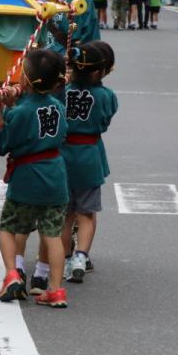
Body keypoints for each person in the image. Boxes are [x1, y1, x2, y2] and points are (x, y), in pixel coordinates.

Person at [0, 48, 70, 309]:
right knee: (52, 235)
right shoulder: (58, 107)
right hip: (55, 175)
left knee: (9, 227)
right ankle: (56, 289)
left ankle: (12, 274)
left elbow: (2, 145)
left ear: (24, 79)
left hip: (27, 177)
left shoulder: (19, 112)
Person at [60, 41, 117, 284]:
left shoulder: (60, 92)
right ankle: (81, 257)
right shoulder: (106, 96)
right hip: (90, 154)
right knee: (86, 213)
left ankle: (63, 258)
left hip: (61, 154)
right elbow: (105, 121)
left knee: (65, 214)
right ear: (97, 72)